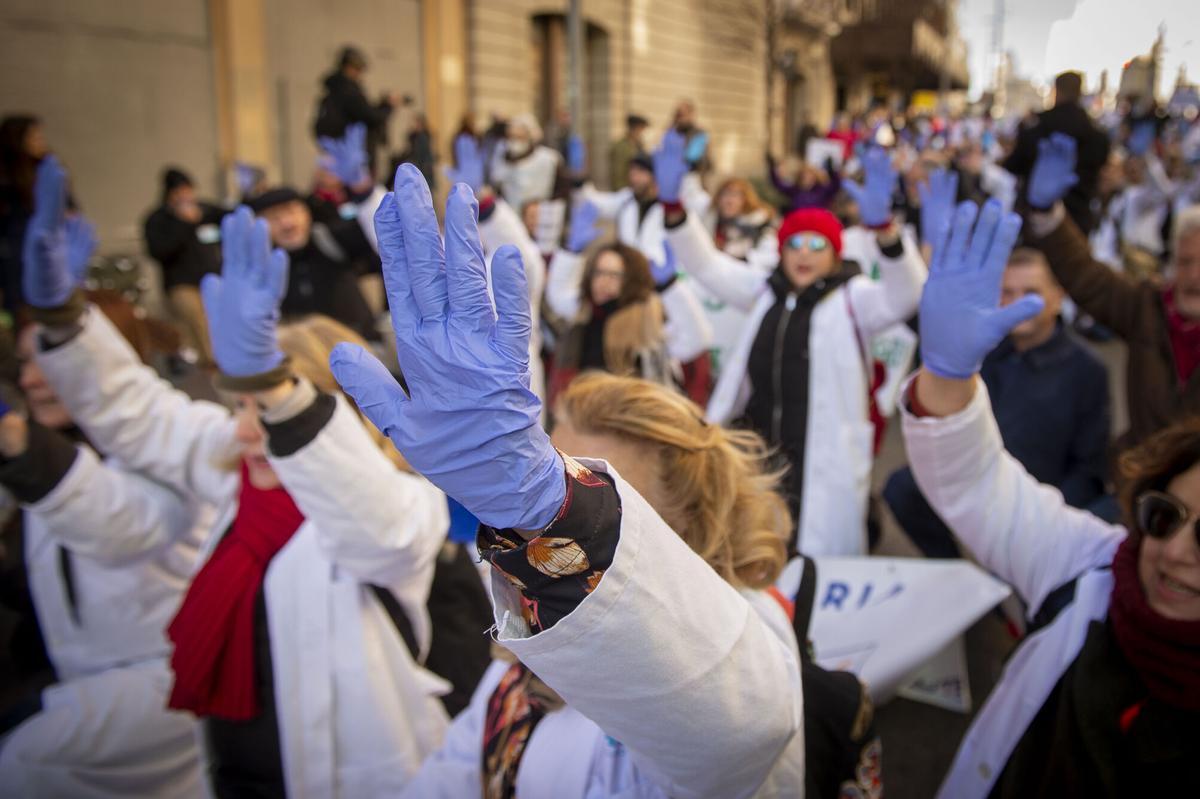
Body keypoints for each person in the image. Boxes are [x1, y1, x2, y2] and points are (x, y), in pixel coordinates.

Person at [327, 163, 806, 798]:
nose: (548, 533)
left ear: (687, 530)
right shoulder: (515, 679)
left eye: (598, 507)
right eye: (561, 475)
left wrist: (547, 506)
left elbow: (744, 729)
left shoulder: (745, 643)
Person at [25, 181, 452, 796]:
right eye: (243, 404)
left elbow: (377, 528)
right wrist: (66, 320)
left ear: (337, 417)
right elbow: (140, 412)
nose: (248, 428)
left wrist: (280, 396)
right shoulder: (235, 480)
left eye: (270, 407)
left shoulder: (403, 503)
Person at [902, 195, 1200, 797]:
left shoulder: (1086, 370)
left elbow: (1086, 464)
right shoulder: (1093, 569)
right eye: (1164, 518)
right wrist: (948, 374)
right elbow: (976, 482)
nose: (1174, 553)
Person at [0, 172, 209, 794]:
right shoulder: (58, 455)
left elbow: (119, 522)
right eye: (25, 364)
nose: (34, 380)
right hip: (81, 683)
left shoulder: (163, 450)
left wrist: (20, 448)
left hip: (159, 692)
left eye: (54, 359)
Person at [665, 144, 927, 555]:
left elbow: (907, 294)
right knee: (755, 550)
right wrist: (674, 209)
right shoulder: (764, 292)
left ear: (835, 254)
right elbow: (708, 266)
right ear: (782, 250)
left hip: (820, 459)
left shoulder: (854, 298)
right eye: (795, 243)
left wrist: (886, 234)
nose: (804, 253)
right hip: (761, 452)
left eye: (817, 245)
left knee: (812, 558)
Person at [885, 247, 1112, 558]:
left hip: (1034, 496)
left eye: (1031, 292)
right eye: (1007, 292)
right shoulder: (981, 349)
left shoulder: (1087, 369)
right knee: (902, 488)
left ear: (1057, 297)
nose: (1018, 302)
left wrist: (1053, 521)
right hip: (971, 476)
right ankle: (956, 571)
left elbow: (1090, 466)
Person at [1023, 132, 1200, 447]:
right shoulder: (1148, 307)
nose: (1194, 276)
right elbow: (1087, 277)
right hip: (1139, 483)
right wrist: (1045, 211)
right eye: (1185, 261)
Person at [544, 200, 711, 402]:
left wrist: (669, 286)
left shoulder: (647, 318)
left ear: (631, 280)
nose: (603, 282)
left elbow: (695, 340)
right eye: (599, 272)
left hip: (637, 417)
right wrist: (571, 252)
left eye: (614, 275)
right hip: (586, 411)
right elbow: (558, 295)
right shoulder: (586, 312)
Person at [1004, 71, 1111, 234]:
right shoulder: (1096, 134)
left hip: (1033, 218)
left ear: (1056, 91)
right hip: (1076, 219)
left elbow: (1013, 165)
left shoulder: (1036, 126)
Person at [142, 167, 226, 364]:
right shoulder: (159, 219)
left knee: (220, 320)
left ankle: (214, 360)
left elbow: (228, 216)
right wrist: (185, 224)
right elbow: (158, 251)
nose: (186, 196)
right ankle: (216, 364)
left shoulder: (205, 210)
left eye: (189, 190)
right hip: (181, 284)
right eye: (180, 192)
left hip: (212, 279)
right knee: (199, 319)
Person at [313, 45, 399, 177]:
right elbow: (370, 117)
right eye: (358, 69)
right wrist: (388, 107)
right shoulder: (348, 91)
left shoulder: (334, 90)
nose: (359, 74)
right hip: (353, 160)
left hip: (339, 157)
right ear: (349, 68)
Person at [0, 115, 50, 314]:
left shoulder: (47, 170)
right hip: (18, 260)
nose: (40, 142)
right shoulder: (7, 180)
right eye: (33, 136)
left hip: (48, 257)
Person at [489, 114, 564, 211]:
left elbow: (559, 192)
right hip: (512, 215)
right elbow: (497, 184)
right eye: (511, 137)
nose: (514, 141)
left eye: (519, 137)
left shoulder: (547, 158)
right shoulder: (503, 158)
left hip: (538, 217)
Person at [608, 114, 648, 190]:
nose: (642, 133)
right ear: (634, 129)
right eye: (641, 129)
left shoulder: (639, 146)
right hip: (625, 191)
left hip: (637, 190)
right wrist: (623, 192)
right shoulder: (621, 147)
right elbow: (618, 174)